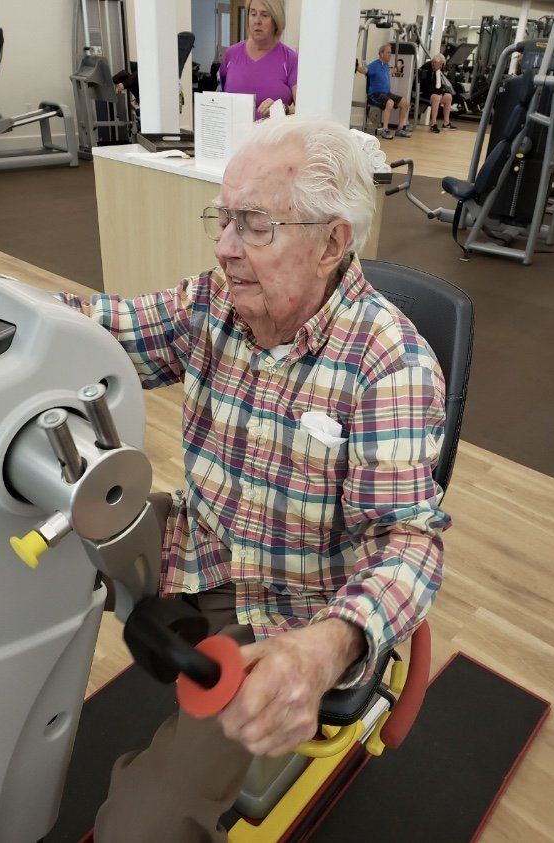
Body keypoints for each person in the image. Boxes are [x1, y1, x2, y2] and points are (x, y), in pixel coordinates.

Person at [58, 116, 450, 842]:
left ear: (333, 240)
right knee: (36, 544)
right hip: (199, 544)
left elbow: (408, 545)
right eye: (223, 217)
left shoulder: (388, 362)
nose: (223, 247)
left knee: (138, 829)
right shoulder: (213, 303)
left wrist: (327, 644)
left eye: (253, 225)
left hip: (287, 612)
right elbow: (96, 331)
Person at [219, 0, 297, 120]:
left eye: (265, 15)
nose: (257, 21)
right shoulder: (231, 54)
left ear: (276, 21)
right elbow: (220, 97)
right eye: (253, 14)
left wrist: (283, 109)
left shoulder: (290, 59)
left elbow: (304, 110)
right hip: (233, 137)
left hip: (272, 137)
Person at [357, 43, 411, 139]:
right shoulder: (374, 65)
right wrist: (357, 67)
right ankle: (385, 130)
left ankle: (400, 129)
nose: (390, 55)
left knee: (405, 103)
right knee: (389, 102)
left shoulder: (385, 66)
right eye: (388, 53)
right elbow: (364, 70)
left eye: (390, 53)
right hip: (374, 94)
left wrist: (397, 68)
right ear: (381, 54)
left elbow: (390, 71)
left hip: (386, 93)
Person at [419, 53, 457, 133]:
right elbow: (425, 87)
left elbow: (440, 85)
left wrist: (441, 92)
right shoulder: (426, 69)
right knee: (437, 97)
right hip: (425, 93)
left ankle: (446, 123)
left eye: (441, 65)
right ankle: (433, 124)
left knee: (448, 96)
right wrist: (438, 93)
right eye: (439, 64)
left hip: (434, 92)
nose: (440, 67)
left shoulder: (438, 69)